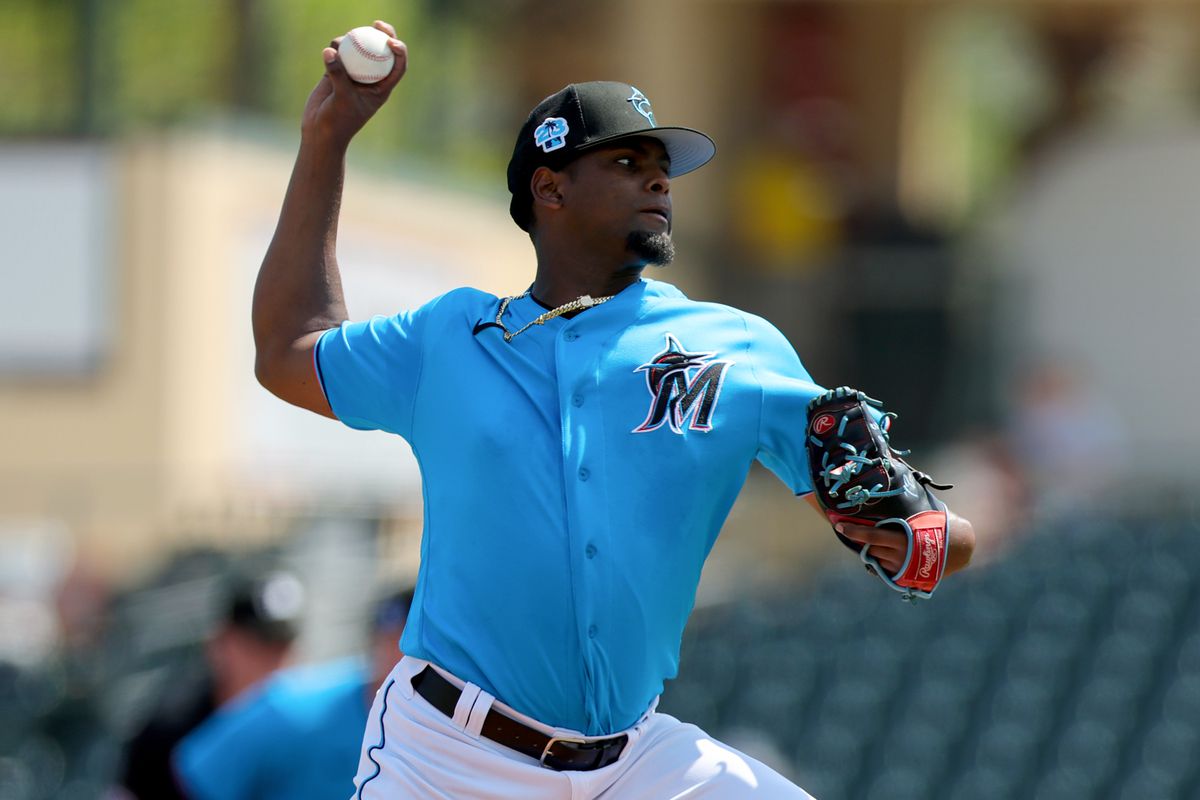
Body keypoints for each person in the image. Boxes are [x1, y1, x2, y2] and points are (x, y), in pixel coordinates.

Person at [251, 20, 976, 799]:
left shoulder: (735, 346)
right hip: (446, 758)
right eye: (628, 162)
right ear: (550, 188)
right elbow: (290, 350)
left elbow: (942, 541)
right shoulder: (450, 337)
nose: (658, 181)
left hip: (634, 763)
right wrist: (327, 139)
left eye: (663, 168)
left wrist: (909, 536)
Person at [171, 588, 413, 800]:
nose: (401, 655)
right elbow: (197, 779)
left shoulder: (443, 728)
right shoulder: (292, 711)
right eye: (394, 640)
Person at [119, 569, 303, 799]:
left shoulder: (311, 732)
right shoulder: (169, 732)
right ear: (220, 645)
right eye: (256, 648)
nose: (271, 665)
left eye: (281, 650)